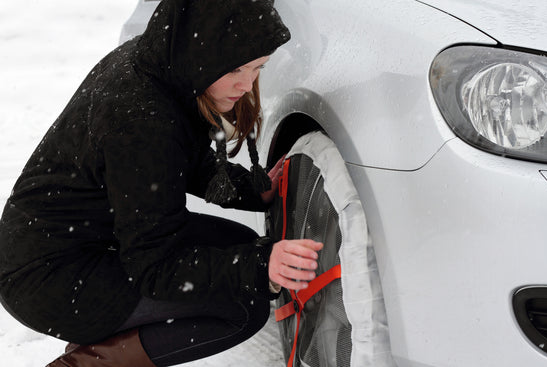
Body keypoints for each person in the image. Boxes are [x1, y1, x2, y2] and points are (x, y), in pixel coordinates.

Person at [0, 0, 323, 366]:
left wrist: (249, 189)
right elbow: (156, 267)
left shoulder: (162, 65)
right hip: (49, 278)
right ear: (203, 51)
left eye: (257, 68)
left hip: (86, 238)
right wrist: (262, 266)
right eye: (235, 68)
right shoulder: (140, 120)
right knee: (241, 304)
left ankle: (109, 342)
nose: (246, 84)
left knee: (241, 248)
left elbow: (177, 161)